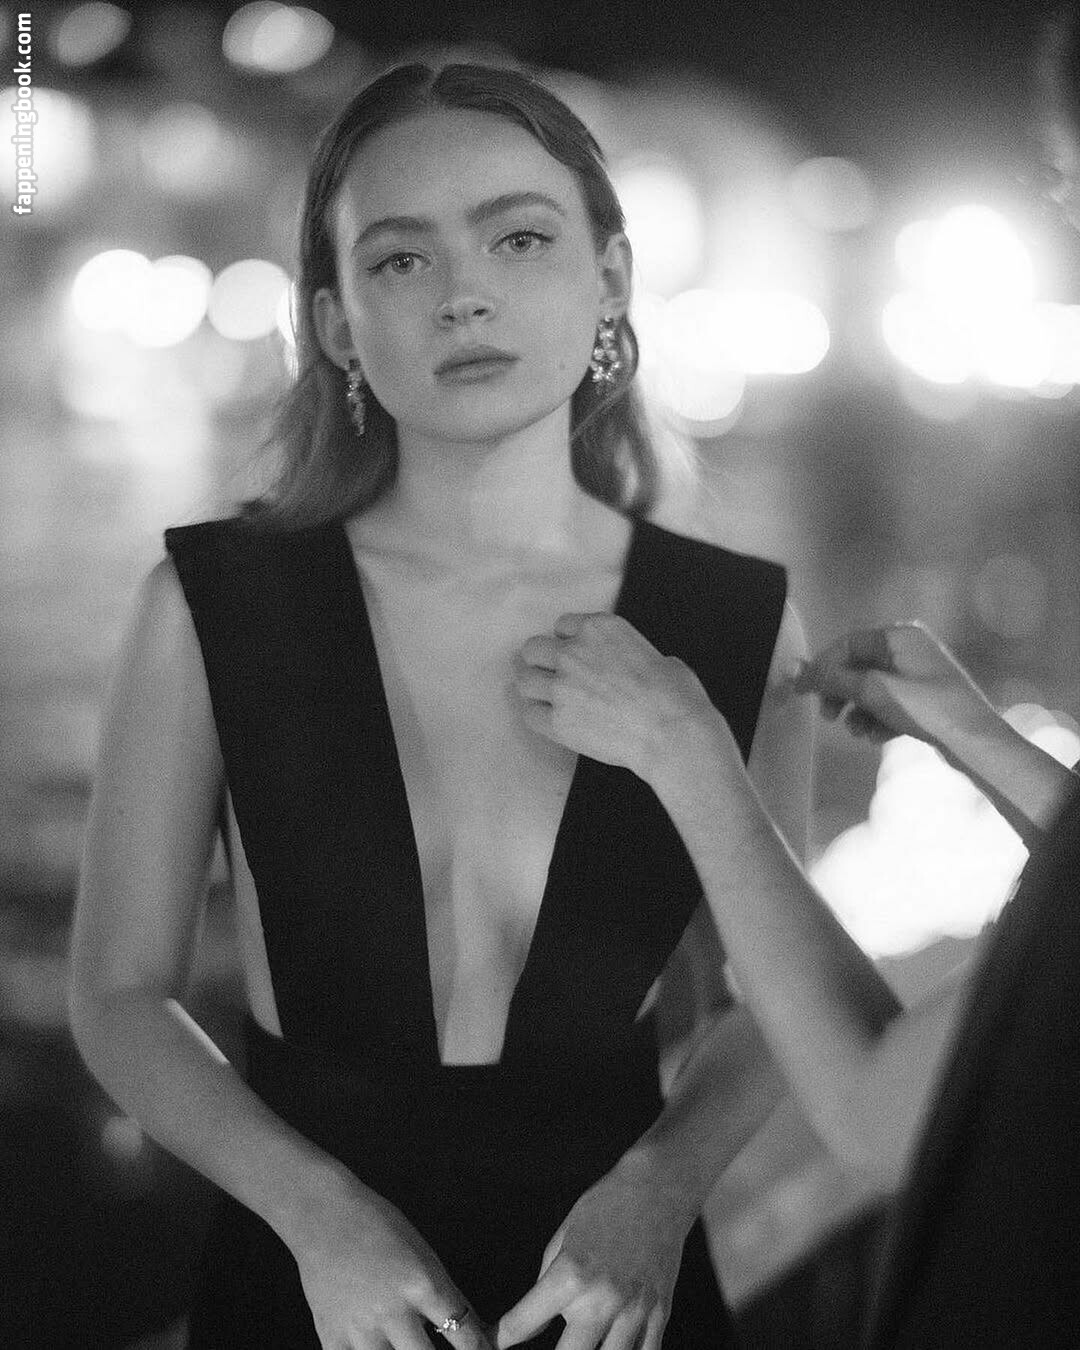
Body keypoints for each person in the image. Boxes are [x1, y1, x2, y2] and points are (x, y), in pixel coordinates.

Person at [68, 62, 813, 1350]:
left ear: (611, 278)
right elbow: (120, 995)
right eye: (401, 260)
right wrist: (317, 1217)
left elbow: (784, 997)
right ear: (337, 323)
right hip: (310, 1285)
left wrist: (661, 1189)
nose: (464, 294)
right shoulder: (214, 605)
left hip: (618, 1291)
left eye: (519, 239)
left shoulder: (731, 623)